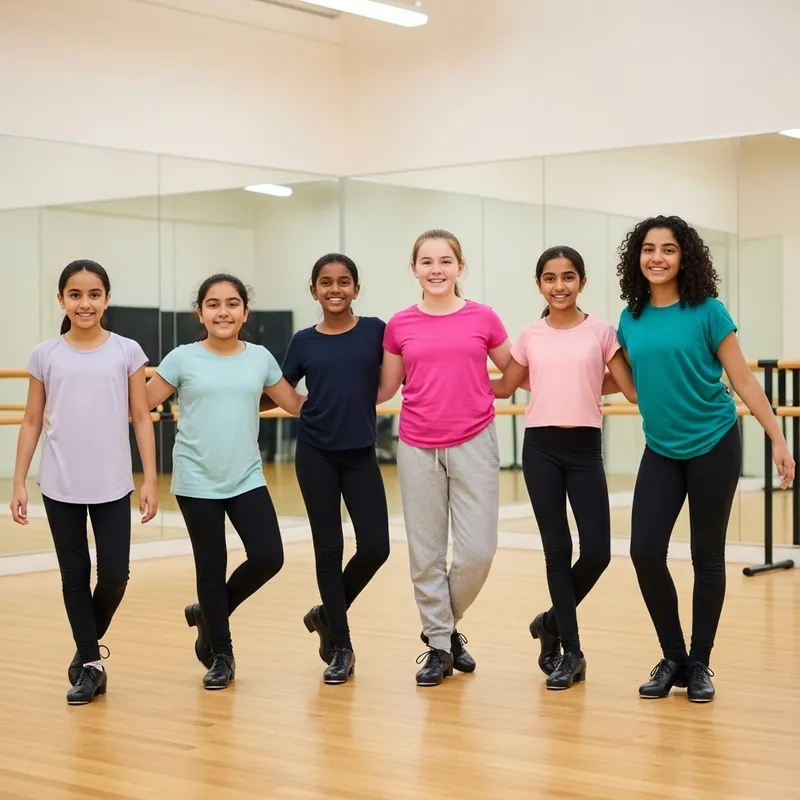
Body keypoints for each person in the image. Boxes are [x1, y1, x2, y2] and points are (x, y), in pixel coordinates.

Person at [616, 215, 795, 703]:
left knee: (706, 554)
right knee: (644, 550)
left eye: (668, 249)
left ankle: (700, 663)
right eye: (648, 249)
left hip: (715, 441)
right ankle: (673, 656)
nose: (656, 257)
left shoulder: (708, 311)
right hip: (661, 448)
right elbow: (632, 385)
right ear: (637, 258)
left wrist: (777, 437)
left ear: (684, 257)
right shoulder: (629, 319)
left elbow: (743, 380)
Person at [145, 273, 305, 691]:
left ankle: (209, 614)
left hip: (246, 476)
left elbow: (293, 404)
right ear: (200, 312)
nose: (223, 311)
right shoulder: (181, 358)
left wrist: (349, 392)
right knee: (211, 568)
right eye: (213, 304)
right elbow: (140, 403)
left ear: (245, 311)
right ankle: (221, 654)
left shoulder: (260, 358)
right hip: (196, 479)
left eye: (232, 303)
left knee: (269, 556)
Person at [10, 259, 158, 706]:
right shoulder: (45, 354)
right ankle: (91, 665)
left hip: (113, 483)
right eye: (75, 295)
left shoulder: (127, 351)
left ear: (106, 298)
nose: (85, 303)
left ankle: (84, 650)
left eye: (94, 294)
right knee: (74, 576)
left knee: (115, 574)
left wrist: (151, 478)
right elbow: (32, 420)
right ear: (61, 300)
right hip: (59, 484)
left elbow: (140, 417)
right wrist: (18, 481)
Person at [492, 246, 637, 690]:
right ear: (539, 284)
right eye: (551, 278)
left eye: (568, 277)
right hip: (540, 448)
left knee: (597, 552)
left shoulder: (602, 332)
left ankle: (550, 622)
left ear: (582, 282)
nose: (560, 286)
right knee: (557, 551)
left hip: (584, 448)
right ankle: (570, 652)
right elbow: (504, 388)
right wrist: (440, 371)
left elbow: (630, 389)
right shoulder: (530, 334)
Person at [379, 229, 512, 687]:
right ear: (414, 269)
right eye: (427, 261)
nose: (436, 269)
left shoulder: (484, 317)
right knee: (426, 554)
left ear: (460, 267)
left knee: (477, 551)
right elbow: (386, 388)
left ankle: (441, 627)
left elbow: (512, 369)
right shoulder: (400, 325)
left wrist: (498, 388)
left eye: (445, 261)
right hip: (417, 444)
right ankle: (439, 645)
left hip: (475, 440)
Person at [282, 254, 390, 685]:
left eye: (344, 282)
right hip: (316, 454)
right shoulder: (303, 341)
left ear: (356, 289)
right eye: (325, 282)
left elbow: (398, 371)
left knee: (376, 547)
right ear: (313, 291)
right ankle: (341, 646)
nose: (335, 289)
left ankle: (327, 613)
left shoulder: (375, 330)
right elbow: (281, 386)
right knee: (328, 550)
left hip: (361, 452)